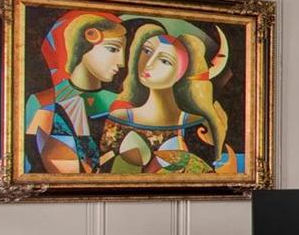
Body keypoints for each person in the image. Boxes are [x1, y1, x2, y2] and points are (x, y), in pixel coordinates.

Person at [100, 18, 233, 175]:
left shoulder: (196, 124)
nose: (148, 63)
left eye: (164, 60)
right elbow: (101, 169)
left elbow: (206, 175)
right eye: (147, 51)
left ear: (182, 72)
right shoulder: (119, 117)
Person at [22, 10, 127, 173]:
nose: (121, 62)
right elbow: (26, 165)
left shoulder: (119, 103)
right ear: (80, 46)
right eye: (113, 49)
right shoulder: (43, 101)